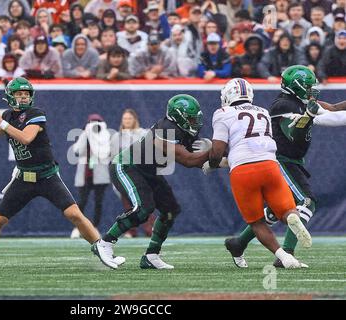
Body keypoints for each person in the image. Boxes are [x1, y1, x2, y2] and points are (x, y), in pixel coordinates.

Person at [0, 77, 111, 269]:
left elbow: (26, 138)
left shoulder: (36, 113)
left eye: (26, 94)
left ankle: (101, 248)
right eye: (19, 94)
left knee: (74, 213)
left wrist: (2, 123)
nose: (23, 98)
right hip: (24, 178)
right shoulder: (7, 116)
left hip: (47, 176)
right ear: (10, 96)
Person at [223, 65, 345, 269]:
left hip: (291, 160)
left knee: (274, 210)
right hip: (280, 159)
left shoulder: (299, 102)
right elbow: (293, 133)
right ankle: (286, 253)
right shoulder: (284, 105)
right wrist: (308, 115)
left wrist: (312, 113)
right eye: (307, 87)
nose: (311, 90)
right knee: (306, 202)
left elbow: (332, 111)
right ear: (295, 87)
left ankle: (239, 243)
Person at [92, 94, 210, 269]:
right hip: (126, 166)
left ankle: (152, 255)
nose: (194, 122)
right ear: (178, 116)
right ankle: (105, 242)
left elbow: (198, 159)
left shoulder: (182, 131)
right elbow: (188, 161)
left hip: (148, 171)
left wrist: (228, 159)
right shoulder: (166, 129)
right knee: (143, 209)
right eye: (191, 118)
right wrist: (211, 154)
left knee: (170, 210)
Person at [204, 78, 311, 269]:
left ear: (228, 95)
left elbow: (218, 150)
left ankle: (285, 258)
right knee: (286, 209)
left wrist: (213, 163)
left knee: (257, 222)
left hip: (244, 171)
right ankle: (290, 217)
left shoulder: (222, 113)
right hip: (270, 165)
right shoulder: (263, 112)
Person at [110, 108, 154, 238]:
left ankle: (150, 229)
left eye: (129, 118)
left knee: (145, 202)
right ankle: (131, 230)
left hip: (140, 172)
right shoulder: (116, 137)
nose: (127, 121)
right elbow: (113, 156)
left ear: (134, 119)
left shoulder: (143, 133)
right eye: (125, 118)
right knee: (128, 204)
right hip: (124, 173)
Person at [70, 114, 112, 238]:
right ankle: (79, 227)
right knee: (82, 202)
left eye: (97, 123)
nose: (94, 126)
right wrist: (85, 134)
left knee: (98, 202)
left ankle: (94, 227)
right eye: (91, 123)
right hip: (85, 175)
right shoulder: (84, 136)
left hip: (100, 176)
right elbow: (76, 150)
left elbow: (107, 153)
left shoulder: (105, 137)